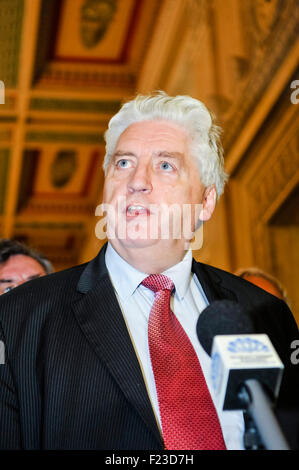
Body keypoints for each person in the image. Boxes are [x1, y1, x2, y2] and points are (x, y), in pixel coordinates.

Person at [0, 92, 298, 451]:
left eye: (165, 165)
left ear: (206, 201)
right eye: (123, 163)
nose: (137, 181)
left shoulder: (265, 315)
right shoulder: (18, 319)